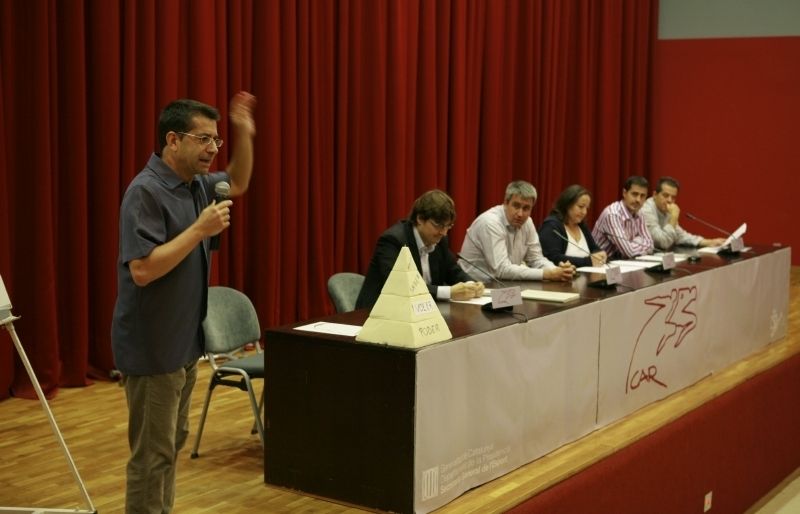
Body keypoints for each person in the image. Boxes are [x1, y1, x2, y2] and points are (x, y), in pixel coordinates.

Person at [111, 92, 256, 513]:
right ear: (172, 140)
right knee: (152, 455)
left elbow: (240, 181)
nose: (212, 148)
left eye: (217, 140)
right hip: (153, 347)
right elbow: (141, 270)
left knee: (170, 443)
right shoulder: (146, 192)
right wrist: (199, 230)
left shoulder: (195, 185)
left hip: (184, 344)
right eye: (203, 139)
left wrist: (244, 133)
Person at [355, 189, 484, 310]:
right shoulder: (393, 241)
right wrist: (448, 292)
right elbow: (401, 286)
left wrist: (472, 284)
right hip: (380, 313)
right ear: (420, 219)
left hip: (421, 311)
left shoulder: (439, 240)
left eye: (448, 226)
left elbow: (453, 271)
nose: (444, 232)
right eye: (438, 225)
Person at [459, 180, 575, 281]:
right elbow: (501, 269)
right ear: (505, 203)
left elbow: (535, 258)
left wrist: (558, 271)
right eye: (516, 206)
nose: (520, 214)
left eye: (526, 208)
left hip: (502, 285)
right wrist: (547, 274)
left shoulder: (527, 222)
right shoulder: (490, 223)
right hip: (473, 286)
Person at [640, 176, 726, 251]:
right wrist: (673, 217)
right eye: (665, 195)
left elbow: (680, 236)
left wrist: (708, 242)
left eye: (673, 197)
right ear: (655, 194)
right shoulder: (646, 210)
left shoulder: (667, 210)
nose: (670, 200)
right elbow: (663, 242)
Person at [538, 184, 607, 267]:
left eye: (587, 208)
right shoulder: (552, 226)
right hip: (561, 278)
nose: (584, 212)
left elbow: (594, 249)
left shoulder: (581, 226)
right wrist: (587, 261)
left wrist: (600, 255)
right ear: (567, 204)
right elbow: (553, 257)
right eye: (581, 207)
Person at [592, 176, 654, 259]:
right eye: (634, 194)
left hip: (621, 262)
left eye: (642, 196)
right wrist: (638, 242)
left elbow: (650, 245)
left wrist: (631, 244)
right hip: (602, 264)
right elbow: (629, 252)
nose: (638, 200)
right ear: (624, 193)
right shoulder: (613, 214)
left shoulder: (639, 213)